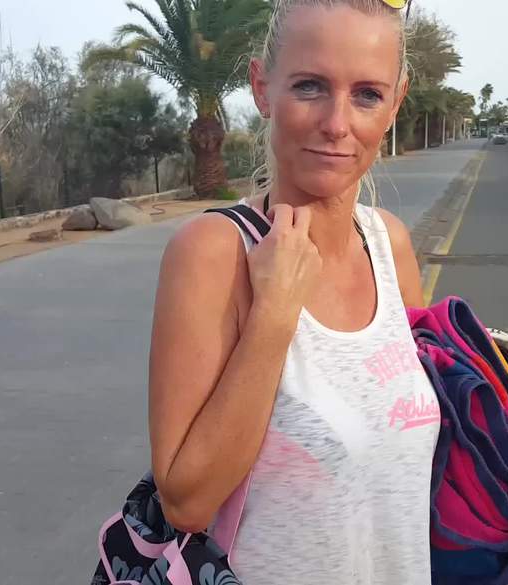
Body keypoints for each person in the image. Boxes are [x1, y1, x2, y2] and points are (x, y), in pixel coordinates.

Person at [147, 0, 439, 582]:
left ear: (395, 104)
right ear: (262, 88)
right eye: (310, 86)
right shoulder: (213, 252)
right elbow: (187, 502)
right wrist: (275, 314)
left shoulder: (391, 247)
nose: (337, 123)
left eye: (367, 94)